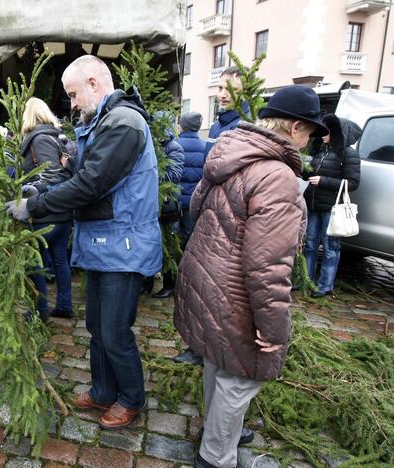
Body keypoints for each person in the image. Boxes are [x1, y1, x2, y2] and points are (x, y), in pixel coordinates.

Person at [173, 85, 328, 468]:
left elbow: (196, 206)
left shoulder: (230, 151)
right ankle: (215, 457)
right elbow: (268, 267)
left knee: (218, 359)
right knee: (241, 379)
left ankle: (215, 429)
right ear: (294, 128)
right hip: (236, 291)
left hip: (207, 276)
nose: (308, 142)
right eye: (309, 133)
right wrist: (274, 332)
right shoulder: (276, 176)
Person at [5, 55, 161, 429]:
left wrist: (34, 206)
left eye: (73, 94)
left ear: (94, 83)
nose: (71, 104)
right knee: (95, 325)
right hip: (102, 244)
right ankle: (103, 390)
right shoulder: (101, 122)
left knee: (115, 331)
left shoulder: (124, 123)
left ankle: (131, 398)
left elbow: (91, 184)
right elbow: (75, 173)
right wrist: (39, 185)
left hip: (125, 246)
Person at [174, 67, 247, 365]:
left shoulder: (244, 125)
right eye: (219, 89)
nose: (222, 94)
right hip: (210, 213)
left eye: (229, 88)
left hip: (231, 221)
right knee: (203, 283)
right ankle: (199, 346)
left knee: (221, 289)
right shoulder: (218, 128)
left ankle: (214, 347)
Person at [20, 97, 73, 320]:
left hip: (46, 212)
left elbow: (50, 174)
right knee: (60, 259)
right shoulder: (57, 137)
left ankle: (39, 310)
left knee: (35, 261)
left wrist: (27, 189)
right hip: (62, 211)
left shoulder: (40, 139)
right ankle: (64, 305)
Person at [303, 114, 361, 298]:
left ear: (337, 131)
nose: (322, 134)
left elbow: (352, 183)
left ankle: (325, 285)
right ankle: (306, 280)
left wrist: (323, 180)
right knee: (310, 245)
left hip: (332, 209)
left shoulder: (349, 154)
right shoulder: (321, 150)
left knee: (330, 248)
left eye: (327, 130)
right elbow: (312, 175)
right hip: (313, 204)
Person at [150, 122, 184, 298]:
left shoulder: (174, 147)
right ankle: (146, 282)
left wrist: (151, 172)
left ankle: (170, 284)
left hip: (167, 205)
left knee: (169, 244)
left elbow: (175, 175)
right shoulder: (151, 143)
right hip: (150, 203)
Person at [204, 66, 248, 158]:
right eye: (220, 88)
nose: (222, 95)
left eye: (232, 89)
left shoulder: (247, 127)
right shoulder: (215, 126)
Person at [177, 112, 207, 245]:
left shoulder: (174, 145)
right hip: (194, 203)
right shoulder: (206, 147)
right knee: (190, 238)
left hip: (174, 202)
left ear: (182, 126)